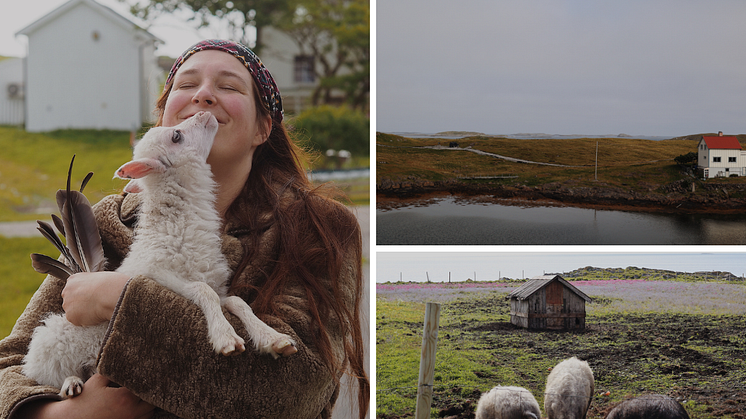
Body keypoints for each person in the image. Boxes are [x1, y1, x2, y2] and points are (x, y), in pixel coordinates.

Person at [0, 39, 369, 419]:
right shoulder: (109, 221)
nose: (204, 95)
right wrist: (58, 416)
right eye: (186, 85)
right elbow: (10, 361)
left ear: (263, 128)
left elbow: (296, 391)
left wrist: (122, 298)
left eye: (229, 86)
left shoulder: (316, 226)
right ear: (163, 120)